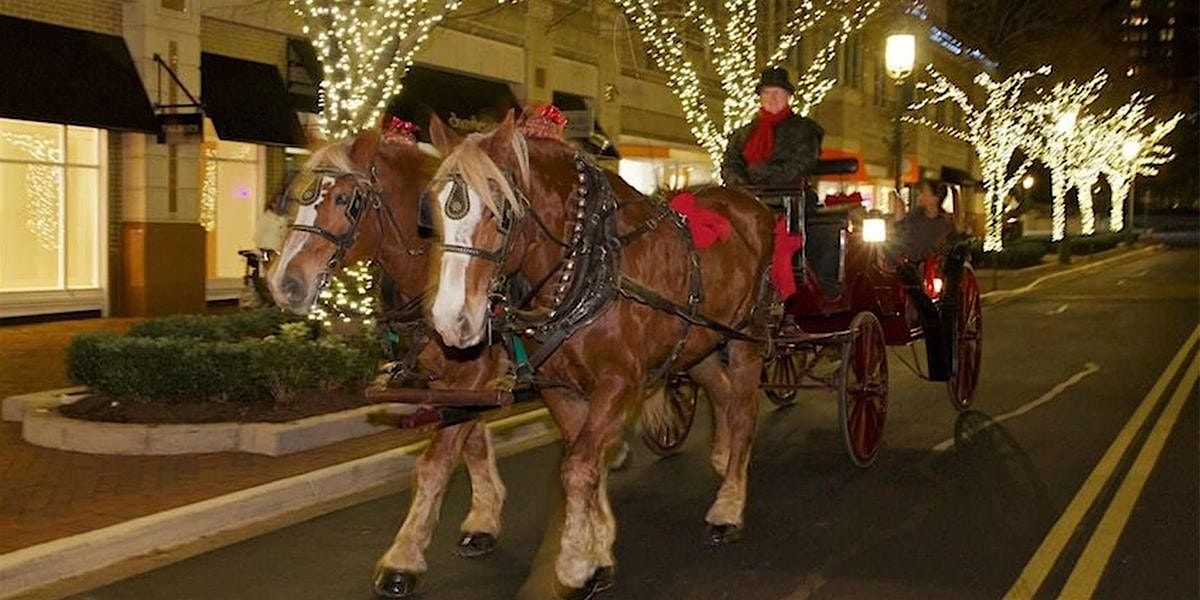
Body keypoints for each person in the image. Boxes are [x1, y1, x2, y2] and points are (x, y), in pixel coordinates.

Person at [721, 67, 824, 187]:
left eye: (777, 92)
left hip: (786, 193)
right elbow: (730, 162)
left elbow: (801, 163)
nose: (772, 98)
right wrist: (740, 181)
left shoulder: (805, 129)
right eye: (767, 93)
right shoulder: (742, 133)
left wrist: (761, 178)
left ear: (788, 96)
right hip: (746, 193)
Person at [893, 179, 956, 259]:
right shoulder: (914, 216)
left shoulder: (946, 223)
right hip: (911, 267)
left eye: (924, 192)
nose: (920, 195)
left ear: (935, 198)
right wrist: (899, 217)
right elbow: (900, 236)